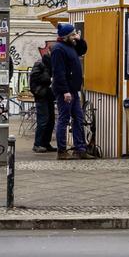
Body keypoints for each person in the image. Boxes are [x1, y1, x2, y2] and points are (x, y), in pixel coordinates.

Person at [50, 22, 87, 159]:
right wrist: (65, 91)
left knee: (78, 118)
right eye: (72, 34)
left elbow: (83, 50)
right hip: (65, 91)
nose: (74, 36)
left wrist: (79, 39)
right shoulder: (58, 49)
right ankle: (62, 150)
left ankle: (80, 148)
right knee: (64, 119)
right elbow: (58, 72)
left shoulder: (70, 46)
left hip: (73, 89)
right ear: (66, 36)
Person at [29, 40, 55, 152]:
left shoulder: (53, 64)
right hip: (42, 95)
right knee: (43, 120)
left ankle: (45, 143)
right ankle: (38, 144)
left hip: (49, 95)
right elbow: (33, 81)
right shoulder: (40, 63)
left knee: (50, 120)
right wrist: (48, 80)